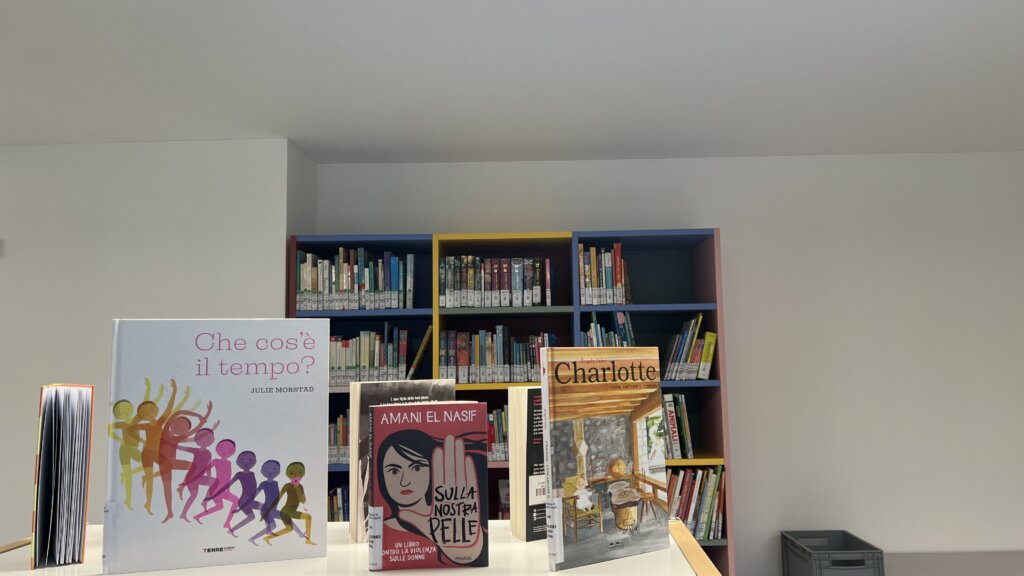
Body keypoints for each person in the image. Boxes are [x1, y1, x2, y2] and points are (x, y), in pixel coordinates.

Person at [375, 429, 487, 566]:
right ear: (382, 476)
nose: (405, 481)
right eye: (394, 471)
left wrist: (470, 551)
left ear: (432, 469)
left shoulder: (456, 519)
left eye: (416, 468)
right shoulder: (381, 530)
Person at [262, 462, 315, 546]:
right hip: (286, 511)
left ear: (302, 474)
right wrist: (267, 511)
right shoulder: (287, 486)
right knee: (308, 517)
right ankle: (308, 540)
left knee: (289, 529)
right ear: (288, 474)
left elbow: (303, 501)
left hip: (288, 512)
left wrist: (297, 488)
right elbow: (278, 498)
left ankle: (267, 538)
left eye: (299, 472)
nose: (296, 475)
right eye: (291, 473)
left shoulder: (300, 487)